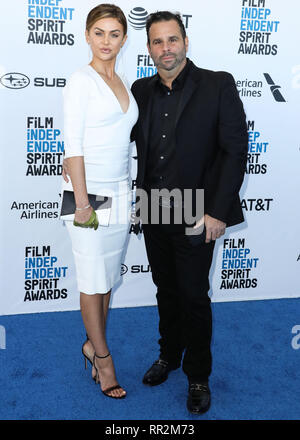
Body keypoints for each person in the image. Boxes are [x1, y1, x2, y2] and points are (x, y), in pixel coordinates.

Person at [130, 11, 248, 414]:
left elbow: (235, 152)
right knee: (166, 290)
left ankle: (198, 374)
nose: (166, 49)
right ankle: (169, 355)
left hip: (198, 210)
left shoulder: (217, 84)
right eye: (158, 42)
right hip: (152, 207)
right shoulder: (140, 90)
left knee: (194, 295)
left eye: (172, 40)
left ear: (185, 41)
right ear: (148, 49)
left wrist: (218, 211)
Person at [61, 4, 138, 399]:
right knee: (92, 282)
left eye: (114, 34)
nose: (106, 41)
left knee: (107, 279)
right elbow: (72, 147)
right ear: (87, 35)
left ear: (124, 39)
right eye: (99, 32)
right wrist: (81, 202)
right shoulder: (81, 80)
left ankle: (92, 345)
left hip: (122, 193)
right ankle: (104, 362)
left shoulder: (123, 80)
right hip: (87, 197)